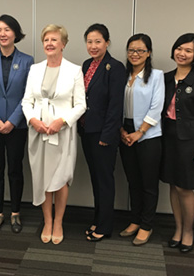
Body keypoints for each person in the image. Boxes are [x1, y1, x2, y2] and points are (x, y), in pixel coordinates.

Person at [21, 24, 86, 244]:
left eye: (54, 40)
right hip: (38, 132)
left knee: (61, 179)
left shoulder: (74, 70)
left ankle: (59, 221)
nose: (49, 43)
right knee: (42, 177)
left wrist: (62, 121)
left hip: (63, 132)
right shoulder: (35, 69)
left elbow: (80, 105)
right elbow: (26, 101)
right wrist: (33, 120)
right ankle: (47, 221)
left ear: (63, 44)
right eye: (46, 40)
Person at [0, 14, 33, 234]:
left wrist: (11, 121)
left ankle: (15, 213)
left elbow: (29, 95)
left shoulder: (28, 60)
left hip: (17, 126)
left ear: (15, 33)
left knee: (16, 170)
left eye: (7, 29)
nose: (3, 33)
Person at [160, 33, 194, 253]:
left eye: (188, 51)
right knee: (173, 185)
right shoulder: (164, 78)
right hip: (166, 137)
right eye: (179, 48)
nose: (182, 54)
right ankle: (178, 228)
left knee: (185, 187)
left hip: (190, 140)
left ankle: (189, 231)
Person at [78, 24, 126, 242]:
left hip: (103, 135)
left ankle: (105, 226)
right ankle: (98, 219)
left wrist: (107, 137)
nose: (93, 46)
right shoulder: (87, 64)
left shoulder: (115, 68)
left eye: (98, 41)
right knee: (96, 179)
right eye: (89, 41)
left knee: (105, 180)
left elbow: (116, 106)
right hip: (87, 131)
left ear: (107, 42)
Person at [119, 33, 164, 246]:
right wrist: (120, 129)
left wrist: (140, 132)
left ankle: (147, 224)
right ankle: (135, 220)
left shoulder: (156, 76)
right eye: (131, 50)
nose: (135, 54)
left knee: (148, 183)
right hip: (124, 132)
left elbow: (156, 107)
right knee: (133, 180)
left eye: (140, 50)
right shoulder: (122, 74)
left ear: (149, 53)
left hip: (148, 135)